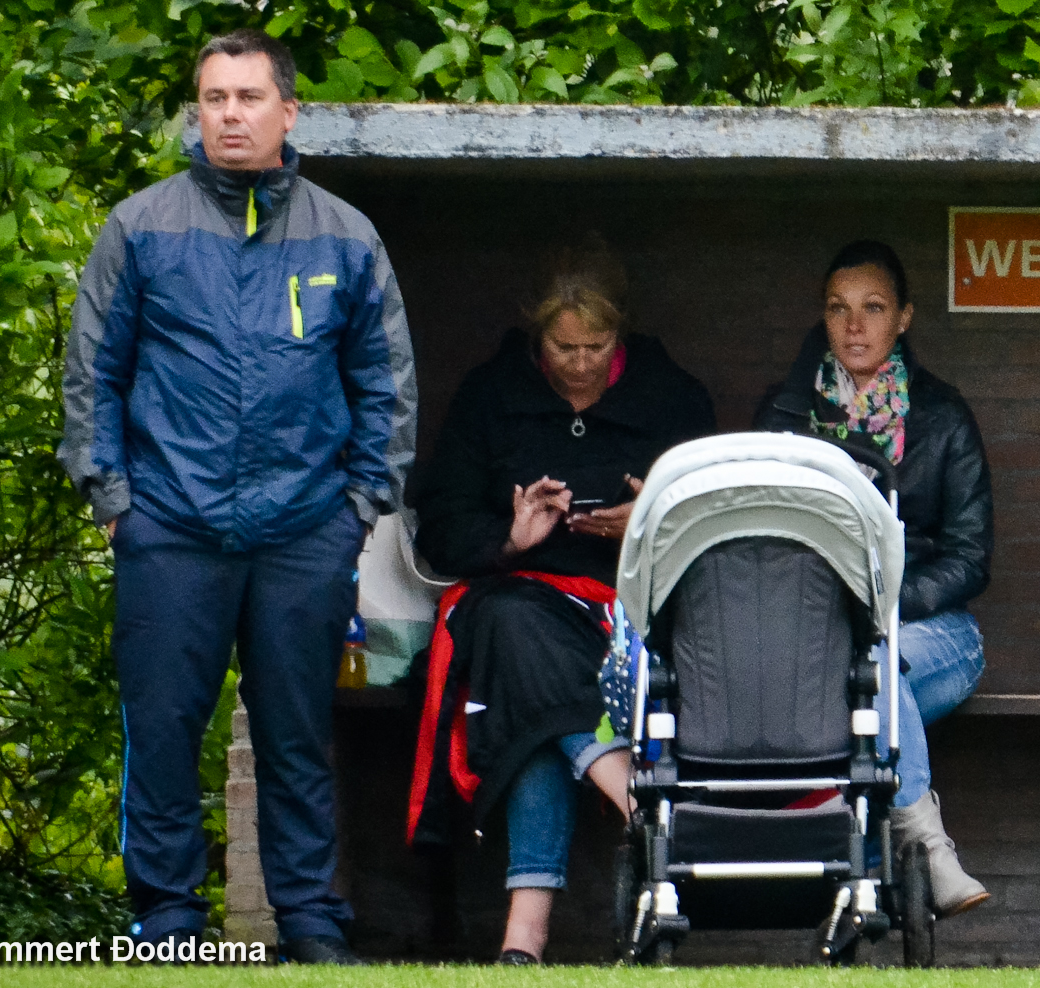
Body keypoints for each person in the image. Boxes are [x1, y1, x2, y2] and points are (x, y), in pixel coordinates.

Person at [60, 29, 416, 964]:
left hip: (304, 530)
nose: (229, 115)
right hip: (168, 525)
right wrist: (115, 502)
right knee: (163, 730)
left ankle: (309, 923)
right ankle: (167, 921)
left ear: (288, 112)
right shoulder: (141, 226)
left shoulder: (345, 235)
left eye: (249, 97)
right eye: (213, 98)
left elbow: (384, 381)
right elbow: (93, 373)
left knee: (297, 737)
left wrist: (358, 509)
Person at [408, 241, 714, 965]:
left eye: (596, 347)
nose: (579, 364)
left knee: (526, 692)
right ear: (534, 331)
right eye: (563, 347)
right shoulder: (491, 394)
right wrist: (509, 538)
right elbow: (441, 523)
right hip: (518, 598)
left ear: (621, 333)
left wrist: (651, 521)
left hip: (627, 609)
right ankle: (637, 799)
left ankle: (525, 936)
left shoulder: (672, 397)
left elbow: (714, 522)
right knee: (512, 626)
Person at [755, 240, 994, 917]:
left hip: (932, 631)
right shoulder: (785, 415)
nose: (854, 325)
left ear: (904, 317)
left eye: (874, 308)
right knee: (862, 671)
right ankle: (919, 851)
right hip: (816, 638)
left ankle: (890, 857)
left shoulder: (942, 414)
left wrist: (884, 604)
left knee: (874, 664)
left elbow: (970, 557)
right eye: (838, 309)